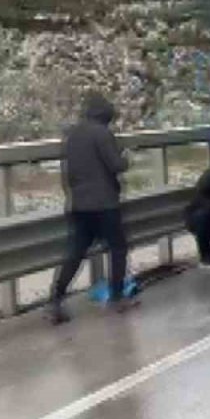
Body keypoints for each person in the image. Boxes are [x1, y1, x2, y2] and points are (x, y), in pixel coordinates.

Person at [48, 91, 138, 324]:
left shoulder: (71, 135)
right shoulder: (102, 133)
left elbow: (67, 173)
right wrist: (126, 157)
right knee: (118, 248)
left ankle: (56, 298)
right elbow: (116, 165)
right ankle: (117, 298)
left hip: (78, 204)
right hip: (104, 203)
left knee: (75, 253)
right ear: (105, 116)